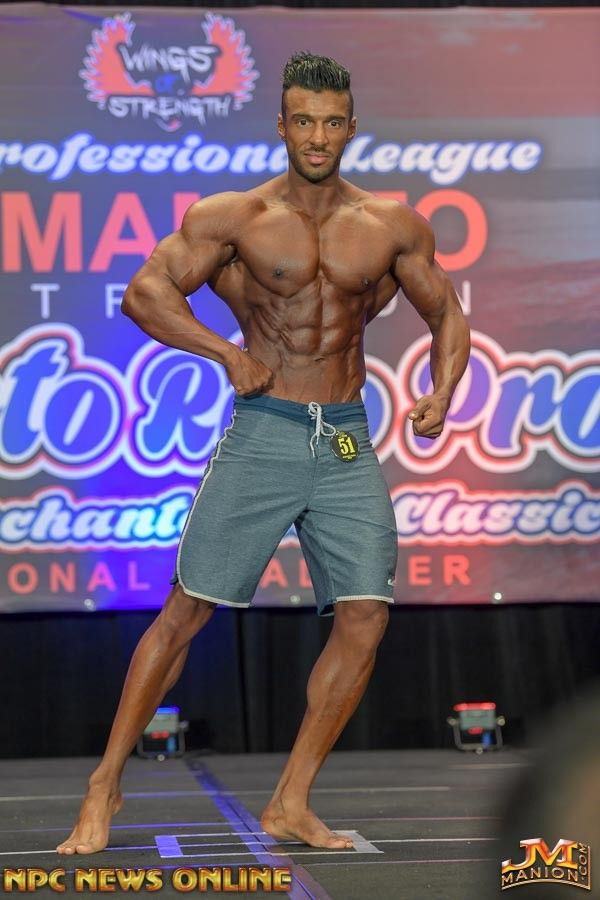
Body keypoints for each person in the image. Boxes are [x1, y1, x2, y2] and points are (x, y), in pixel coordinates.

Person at [57, 52, 470, 855]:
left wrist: (442, 389)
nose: (317, 136)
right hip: (265, 430)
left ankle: (291, 800)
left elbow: (447, 313)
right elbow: (145, 292)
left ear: (351, 127)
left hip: (344, 435)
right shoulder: (236, 217)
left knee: (365, 617)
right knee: (186, 611)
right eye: (303, 120)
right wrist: (226, 354)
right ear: (282, 125)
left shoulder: (390, 226)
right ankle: (104, 783)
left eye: (332, 122)